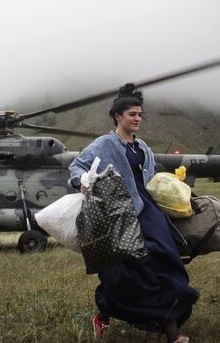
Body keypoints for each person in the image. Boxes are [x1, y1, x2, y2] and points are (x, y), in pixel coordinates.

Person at [68, 84, 198, 343]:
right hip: (119, 214)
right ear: (118, 116)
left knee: (165, 263)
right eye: (132, 114)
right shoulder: (104, 144)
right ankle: (105, 314)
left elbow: (149, 181)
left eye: (140, 114)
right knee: (123, 273)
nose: (137, 118)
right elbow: (76, 166)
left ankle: (172, 332)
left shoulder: (143, 148)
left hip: (149, 212)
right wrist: (83, 179)